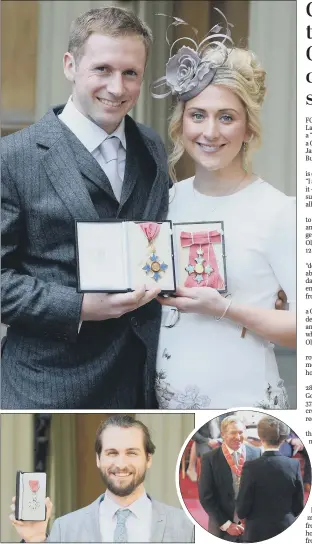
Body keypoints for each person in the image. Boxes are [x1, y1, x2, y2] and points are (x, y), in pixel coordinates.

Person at [1, 7, 170, 409]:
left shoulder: (152, 148)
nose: (117, 86)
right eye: (102, 69)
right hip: (45, 384)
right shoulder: (13, 157)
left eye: (131, 73)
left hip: (137, 378)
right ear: (70, 65)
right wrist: (80, 307)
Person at [153, 10, 296, 410]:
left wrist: (225, 308)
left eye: (226, 117)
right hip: (165, 400)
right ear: (181, 124)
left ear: (249, 128)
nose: (210, 132)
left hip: (243, 401)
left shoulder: (278, 212)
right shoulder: (164, 203)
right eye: (198, 115)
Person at [10, 415, 194, 543]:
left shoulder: (186, 527)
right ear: (98, 459)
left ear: (148, 459)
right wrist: (35, 540)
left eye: (131, 453)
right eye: (112, 453)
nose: (121, 464)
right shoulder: (64, 528)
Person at [236, 416, 304, 542]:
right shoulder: (294, 465)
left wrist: (241, 515)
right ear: (283, 439)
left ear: (260, 438)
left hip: (257, 530)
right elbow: (298, 504)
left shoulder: (250, 467)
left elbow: (243, 507)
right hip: (286, 527)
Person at [198, 416, 260, 541]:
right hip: (221, 521)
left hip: (250, 522)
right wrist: (227, 525)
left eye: (241, 432)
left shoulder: (256, 453)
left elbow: (261, 490)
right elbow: (206, 497)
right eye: (233, 433)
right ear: (223, 435)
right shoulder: (210, 458)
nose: (238, 437)